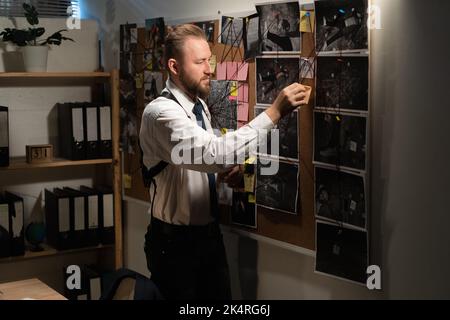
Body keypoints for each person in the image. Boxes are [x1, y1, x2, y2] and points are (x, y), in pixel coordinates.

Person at [139, 24, 308, 300]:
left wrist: (230, 172)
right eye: (200, 62)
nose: (210, 69)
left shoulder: (199, 106)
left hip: (208, 239)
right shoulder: (160, 114)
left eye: (210, 60)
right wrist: (274, 112)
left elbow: (201, 163)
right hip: (173, 246)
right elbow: (212, 153)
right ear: (174, 66)